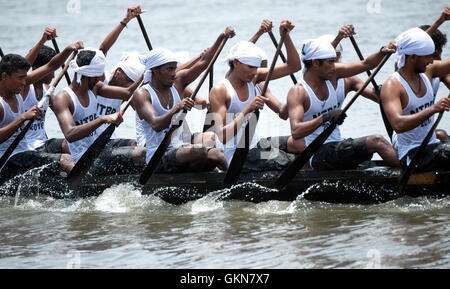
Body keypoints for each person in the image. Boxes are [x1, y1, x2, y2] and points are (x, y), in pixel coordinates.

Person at [285, 37, 399, 171]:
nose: (334, 67)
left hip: (336, 145)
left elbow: (366, 64)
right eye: (330, 62)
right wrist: (324, 118)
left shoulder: (333, 74)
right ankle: (412, 172)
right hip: (318, 153)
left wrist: (382, 53)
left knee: (369, 149)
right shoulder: (299, 92)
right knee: (377, 141)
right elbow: (296, 131)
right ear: (315, 63)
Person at [133, 27, 236, 173]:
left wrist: (222, 37)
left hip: (180, 149)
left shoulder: (178, 82)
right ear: (155, 70)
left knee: (219, 154)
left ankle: (231, 185)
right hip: (157, 156)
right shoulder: (142, 94)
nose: (174, 74)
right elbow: (156, 124)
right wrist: (177, 108)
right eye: (169, 69)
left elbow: (204, 63)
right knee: (199, 151)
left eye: (175, 69)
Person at [209, 20, 301, 170]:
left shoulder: (254, 79)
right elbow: (223, 136)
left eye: (256, 68)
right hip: (234, 155)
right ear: (236, 62)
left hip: (255, 148)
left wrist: (286, 36)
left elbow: (294, 66)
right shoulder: (221, 90)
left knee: (298, 152)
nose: (254, 72)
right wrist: (248, 109)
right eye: (250, 67)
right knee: (287, 162)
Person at [51, 47, 144, 174]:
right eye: (97, 76)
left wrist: (145, 75)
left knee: (140, 145)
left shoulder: (95, 87)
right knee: (141, 154)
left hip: (104, 144)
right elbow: (70, 134)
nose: (101, 78)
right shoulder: (63, 98)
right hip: (86, 157)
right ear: (88, 76)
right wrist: (102, 119)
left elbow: (128, 93)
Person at [0, 41, 82, 180]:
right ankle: (83, 188)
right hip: (8, 160)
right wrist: (22, 118)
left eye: (25, 78)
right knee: (65, 159)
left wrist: (68, 50)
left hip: (25, 152)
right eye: (20, 78)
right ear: (4, 76)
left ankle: (78, 178)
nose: (24, 82)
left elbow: (51, 66)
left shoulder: (16, 89)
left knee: (72, 147)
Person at [381, 27, 450, 171]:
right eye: (427, 56)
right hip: (412, 154)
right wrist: (433, 109)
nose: (432, 61)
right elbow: (398, 125)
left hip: (432, 145)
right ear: (412, 57)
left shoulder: (428, 72)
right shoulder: (392, 86)